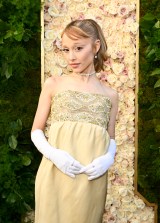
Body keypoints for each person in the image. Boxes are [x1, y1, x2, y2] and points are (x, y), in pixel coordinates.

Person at [31, 19, 118, 223]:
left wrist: (108, 158)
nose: (71, 57)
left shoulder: (111, 95)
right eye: (66, 49)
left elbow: (111, 138)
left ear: (95, 47)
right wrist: (55, 155)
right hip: (54, 173)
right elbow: (36, 130)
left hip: (91, 179)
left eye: (78, 48)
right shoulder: (54, 84)